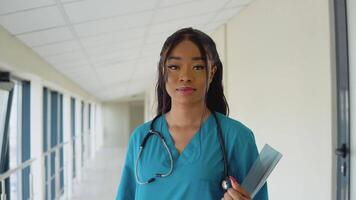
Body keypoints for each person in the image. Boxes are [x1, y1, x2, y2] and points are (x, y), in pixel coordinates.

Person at [116, 27, 268, 200]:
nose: (185, 76)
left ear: (211, 73)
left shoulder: (238, 137)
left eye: (197, 66)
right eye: (174, 66)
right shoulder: (141, 137)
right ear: (163, 71)